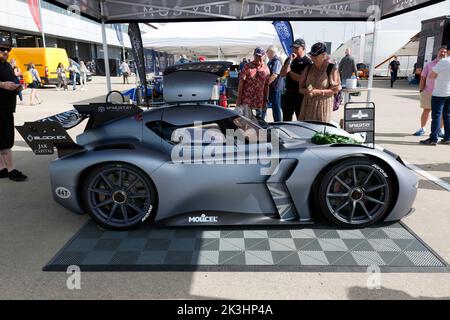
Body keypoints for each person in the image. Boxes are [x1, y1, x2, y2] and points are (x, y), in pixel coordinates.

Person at [0, 37, 27, 181]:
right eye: (2, 49)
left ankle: (2, 169)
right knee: (6, 139)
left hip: (7, 107)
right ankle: (11, 170)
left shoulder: (6, 65)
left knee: (3, 137)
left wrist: (17, 86)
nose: (5, 52)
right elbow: (4, 83)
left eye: (7, 49)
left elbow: (13, 80)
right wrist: (3, 85)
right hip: (1, 108)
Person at [298, 42, 341, 123]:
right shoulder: (309, 68)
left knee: (320, 132)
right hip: (307, 107)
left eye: (315, 56)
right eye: (312, 55)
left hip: (323, 107)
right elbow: (300, 88)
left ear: (323, 55)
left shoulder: (331, 68)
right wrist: (307, 91)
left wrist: (318, 92)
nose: (312, 58)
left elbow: (335, 90)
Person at [413, 46, 447, 136]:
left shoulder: (447, 65)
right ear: (438, 52)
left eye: (445, 52)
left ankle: (440, 130)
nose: (443, 53)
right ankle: (422, 128)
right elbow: (423, 77)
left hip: (442, 93)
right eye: (441, 51)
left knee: (443, 112)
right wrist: (421, 89)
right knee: (426, 110)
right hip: (428, 92)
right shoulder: (429, 65)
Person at [420, 44, 450, 145]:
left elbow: (432, 76)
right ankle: (447, 138)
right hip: (449, 93)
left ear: (448, 51)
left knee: (436, 116)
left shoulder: (443, 62)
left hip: (439, 93)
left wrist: (439, 74)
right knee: (447, 115)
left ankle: (433, 139)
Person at [279, 38, 312, 121]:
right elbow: (282, 74)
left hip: (300, 95)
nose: (294, 50)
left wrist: (290, 73)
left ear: (303, 48)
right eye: (293, 48)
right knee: (286, 118)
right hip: (289, 93)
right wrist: (289, 61)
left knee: (301, 119)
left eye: (297, 48)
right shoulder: (290, 59)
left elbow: (301, 79)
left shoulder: (307, 62)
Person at [235, 47, 270, 122]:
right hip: (247, 100)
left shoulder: (266, 69)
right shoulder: (247, 67)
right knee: (247, 122)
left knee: (259, 123)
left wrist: (265, 100)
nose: (258, 58)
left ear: (264, 56)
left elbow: (266, 86)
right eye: (256, 56)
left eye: (260, 56)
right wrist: (238, 99)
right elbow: (241, 83)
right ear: (254, 56)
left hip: (259, 101)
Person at [266, 46, 283, 122]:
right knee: (273, 106)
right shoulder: (270, 61)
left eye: (268, 52)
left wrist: (266, 83)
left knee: (276, 107)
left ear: (272, 52)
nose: (267, 54)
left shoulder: (276, 61)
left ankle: (278, 123)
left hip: (276, 87)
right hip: (272, 87)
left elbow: (274, 75)